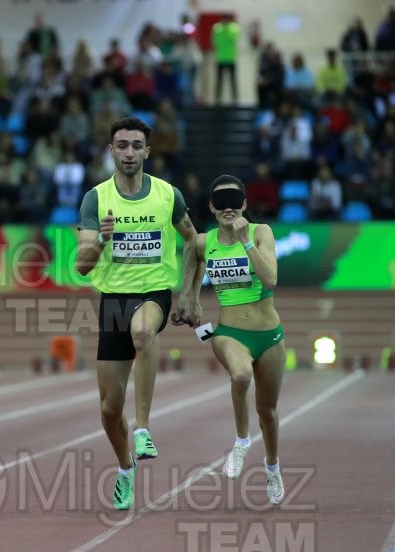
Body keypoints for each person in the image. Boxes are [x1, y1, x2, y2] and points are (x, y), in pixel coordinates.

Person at [76, 117, 201, 510]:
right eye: (121, 145)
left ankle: (144, 428)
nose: (129, 152)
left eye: (135, 145)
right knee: (109, 408)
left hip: (153, 293)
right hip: (113, 300)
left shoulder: (168, 196)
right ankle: (126, 468)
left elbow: (194, 242)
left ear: (147, 151)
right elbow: (81, 266)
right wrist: (101, 240)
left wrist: (189, 295)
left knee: (145, 333)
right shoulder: (95, 198)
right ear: (111, 151)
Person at [184, 174, 285, 505]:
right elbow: (192, 261)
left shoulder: (261, 233)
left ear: (244, 204)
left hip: (269, 335)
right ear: (212, 207)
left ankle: (272, 468)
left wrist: (246, 243)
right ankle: (241, 442)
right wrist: (191, 298)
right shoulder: (203, 241)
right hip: (229, 333)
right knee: (240, 375)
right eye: (221, 204)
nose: (228, 209)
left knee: (267, 411)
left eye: (234, 203)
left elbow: (270, 279)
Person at [211, 14, 240, 104]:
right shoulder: (217, 28)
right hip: (221, 58)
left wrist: (226, 29)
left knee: (233, 80)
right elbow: (214, 41)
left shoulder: (234, 27)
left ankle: (235, 99)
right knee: (219, 80)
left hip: (231, 58)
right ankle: (217, 99)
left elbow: (234, 38)